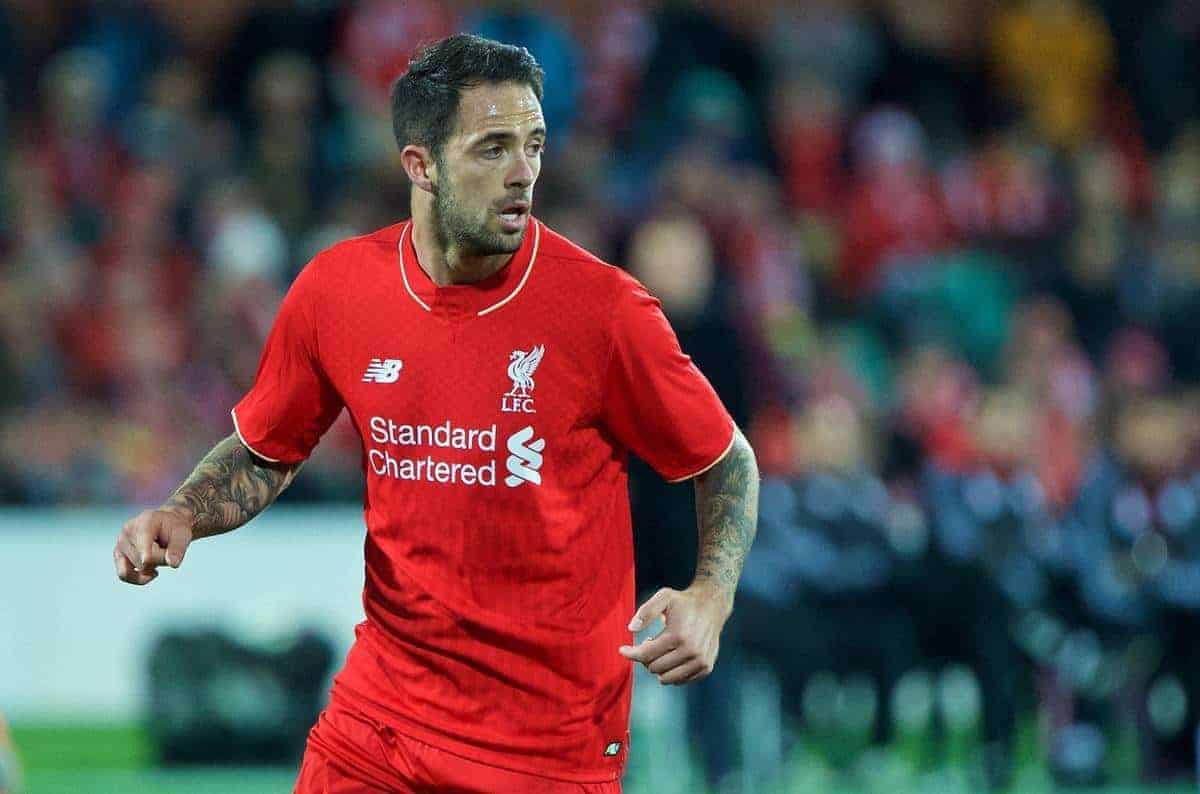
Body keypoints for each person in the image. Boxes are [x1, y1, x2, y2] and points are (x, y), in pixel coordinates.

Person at [112, 34, 759, 793]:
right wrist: (185, 512)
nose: (524, 174)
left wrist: (711, 596)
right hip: (376, 728)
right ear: (421, 165)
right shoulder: (337, 292)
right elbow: (267, 448)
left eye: (535, 144)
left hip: (547, 753)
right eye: (492, 149)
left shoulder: (604, 311)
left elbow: (725, 460)